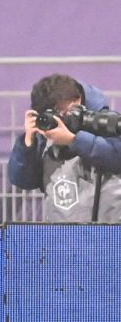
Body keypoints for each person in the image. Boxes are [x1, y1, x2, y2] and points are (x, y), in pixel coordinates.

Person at [8, 74, 121, 222]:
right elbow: (23, 182)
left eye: (66, 111)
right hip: (62, 238)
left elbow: (116, 157)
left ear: (78, 99)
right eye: (56, 114)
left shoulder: (105, 123)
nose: (62, 119)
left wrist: (73, 140)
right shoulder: (45, 137)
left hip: (110, 235)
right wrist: (27, 144)